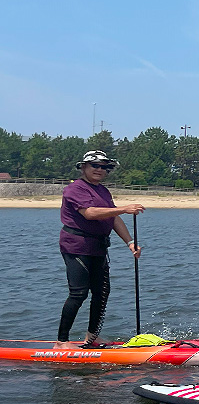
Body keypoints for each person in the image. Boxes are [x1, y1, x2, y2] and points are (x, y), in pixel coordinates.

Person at [55, 150, 145, 349]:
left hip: (98, 247)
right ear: (84, 167)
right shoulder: (75, 189)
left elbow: (112, 218)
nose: (99, 170)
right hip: (77, 246)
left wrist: (130, 243)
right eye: (95, 165)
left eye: (104, 167)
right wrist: (123, 208)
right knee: (78, 294)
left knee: (102, 292)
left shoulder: (103, 191)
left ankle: (92, 336)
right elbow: (90, 213)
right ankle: (61, 342)